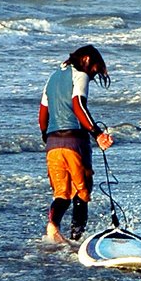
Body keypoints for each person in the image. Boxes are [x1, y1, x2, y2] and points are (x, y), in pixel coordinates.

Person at [38, 45, 114, 243]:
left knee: (61, 194)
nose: (94, 74)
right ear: (87, 59)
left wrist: (47, 137)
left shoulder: (52, 78)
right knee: (82, 192)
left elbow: (43, 116)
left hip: (53, 145)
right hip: (75, 143)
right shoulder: (79, 75)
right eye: (95, 69)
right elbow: (78, 105)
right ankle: (76, 239)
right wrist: (97, 134)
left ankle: (52, 228)